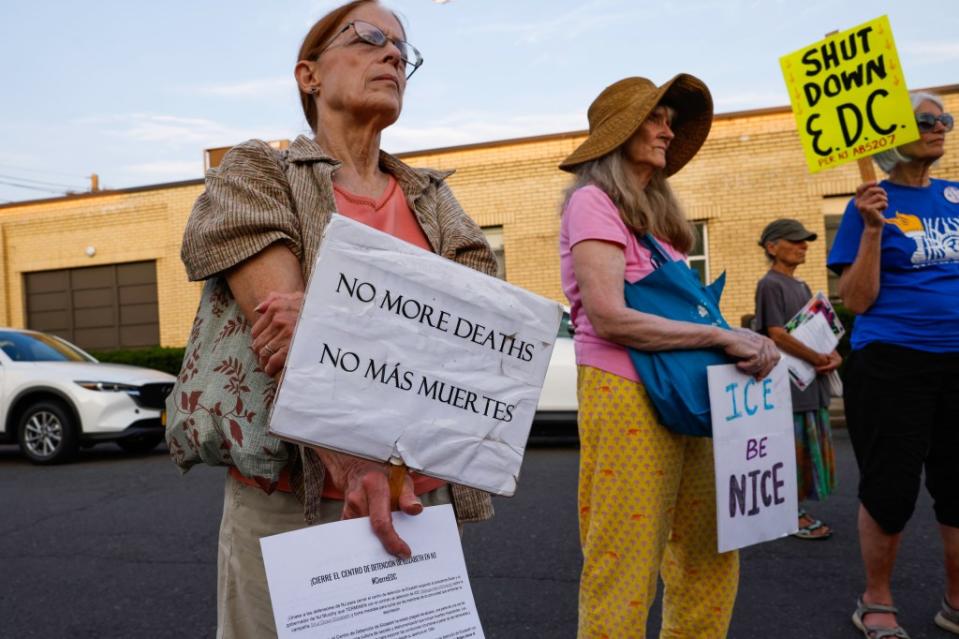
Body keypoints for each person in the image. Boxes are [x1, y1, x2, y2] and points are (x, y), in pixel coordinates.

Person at [176, 2, 497, 636]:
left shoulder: (436, 200)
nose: (394, 55)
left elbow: (485, 341)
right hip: (293, 503)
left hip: (416, 494)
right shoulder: (256, 173)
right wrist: (355, 462)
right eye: (371, 37)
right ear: (309, 75)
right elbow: (287, 335)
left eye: (405, 50)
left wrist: (336, 314)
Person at [558, 75, 779, 638]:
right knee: (624, 561)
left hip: (690, 395)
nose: (666, 129)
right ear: (621, 133)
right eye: (654, 118)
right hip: (625, 389)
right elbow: (608, 316)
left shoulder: (660, 226)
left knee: (710, 553)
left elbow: (690, 317)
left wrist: (746, 340)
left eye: (669, 120)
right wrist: (720, 339)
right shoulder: (592, 202)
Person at [827, 91, 959, 639]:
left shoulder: (956, 196)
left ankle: (956, 600)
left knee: (958, 485)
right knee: (890, 487)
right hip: (893, 362)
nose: (940, 127)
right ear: (888, 134)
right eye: (926, 120)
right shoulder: (868, 205)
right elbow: (856, 301)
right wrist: (875, 230)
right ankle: (875, 599)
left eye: (944, 119)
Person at [754, 219, 840, 541]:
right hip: (790, 386)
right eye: (795, 240)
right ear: (772, 247)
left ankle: (795, 509)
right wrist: (817, 358)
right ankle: (788, 514)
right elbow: (775, 334)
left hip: (812, 384)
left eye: (805, 241)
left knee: (807, 452)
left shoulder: (802, 286)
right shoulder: (770, 284)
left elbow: (818, 330)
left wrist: (833, 355)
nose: (804, 246)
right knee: (791, 452)